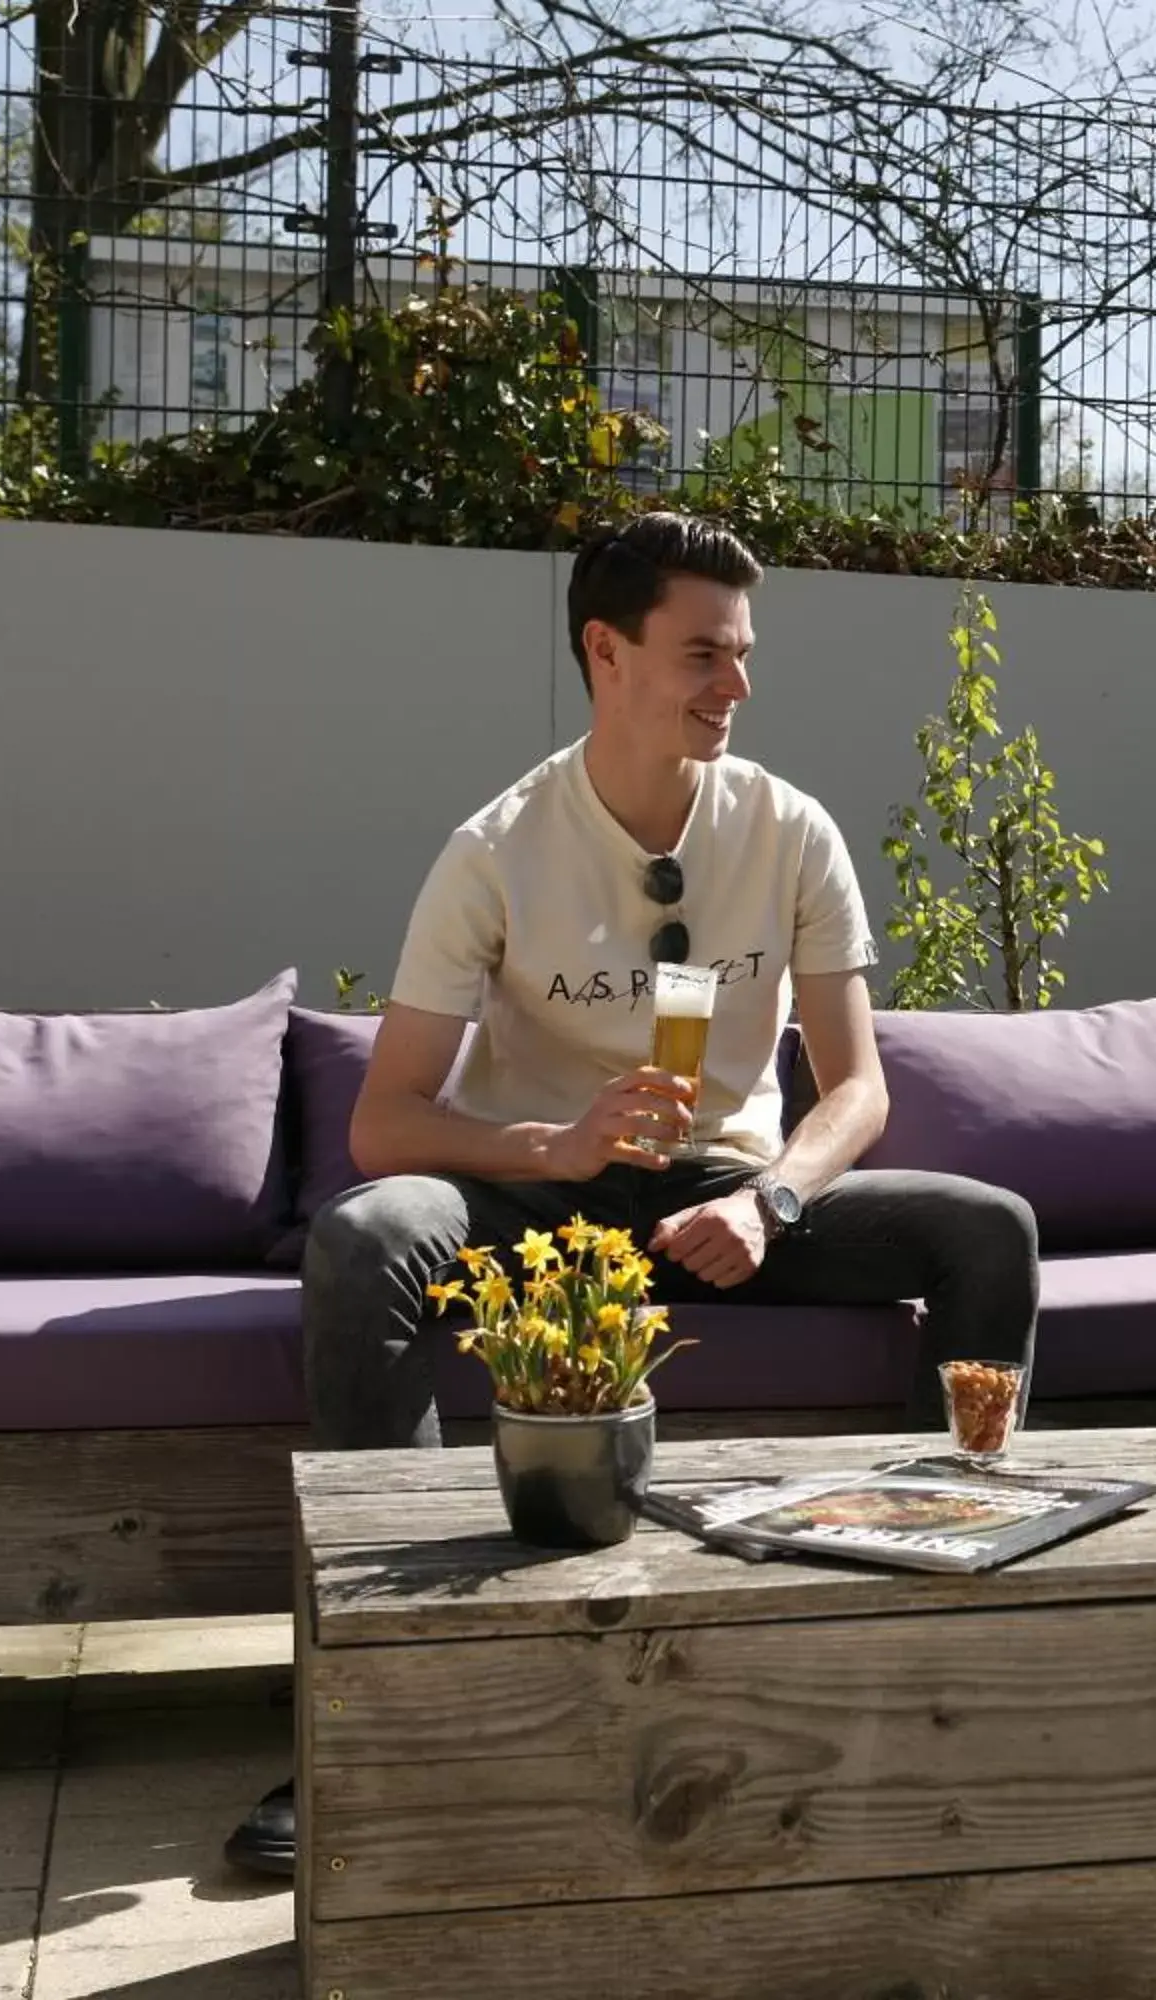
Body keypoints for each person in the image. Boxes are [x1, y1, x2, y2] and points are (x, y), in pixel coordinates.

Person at [224, 513, 1039, 1876]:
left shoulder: (788, 833)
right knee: (369, 1241)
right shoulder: (496, 849)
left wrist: (771, 1200)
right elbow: (385, 1123)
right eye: (704, 653)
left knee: (985, 1233)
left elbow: (859, 1093)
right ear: (607, 652)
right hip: (542, 1209)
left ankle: (927, 1662)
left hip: (725, 1199)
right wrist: (553, 1143)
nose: (738, 684)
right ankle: (391, 1705)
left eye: (745, 654)